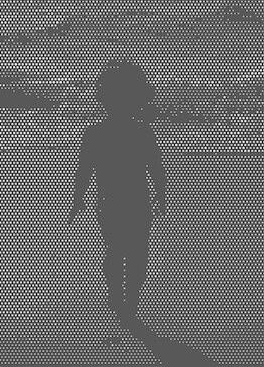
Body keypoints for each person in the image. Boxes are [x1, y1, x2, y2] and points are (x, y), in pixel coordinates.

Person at [70, 60, 164, 338]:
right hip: (135, 204)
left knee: (116, 250)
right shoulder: (141, 132)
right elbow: (157, 170)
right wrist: (161, 195)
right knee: (136, 254)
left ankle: (119, 297)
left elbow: (83, 172)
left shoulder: (96, 133)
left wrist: (78, 200)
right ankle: (127, 300)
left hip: (110, 204)